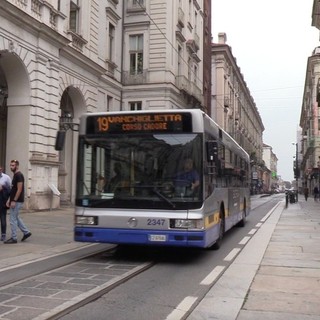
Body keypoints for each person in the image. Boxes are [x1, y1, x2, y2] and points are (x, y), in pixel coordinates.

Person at [4, 160, 32, 244]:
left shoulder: (19, 175)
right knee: (16, 217)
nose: (11, 167)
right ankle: (26, 232)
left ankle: (14, 238)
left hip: (17, 201)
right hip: (14, 200)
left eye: (13, 165)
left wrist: (14, 200)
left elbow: (19, 189)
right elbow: (13, 189)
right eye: (11, 165)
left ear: (17, 166)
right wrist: (9, 200)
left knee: (12, 219)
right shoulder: (15, 175)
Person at [0, 166, 12, 241]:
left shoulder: (6, 177)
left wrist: (3, 187)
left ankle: (3, 234)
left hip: (2, 200)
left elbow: (10, 189)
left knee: (3, 217)